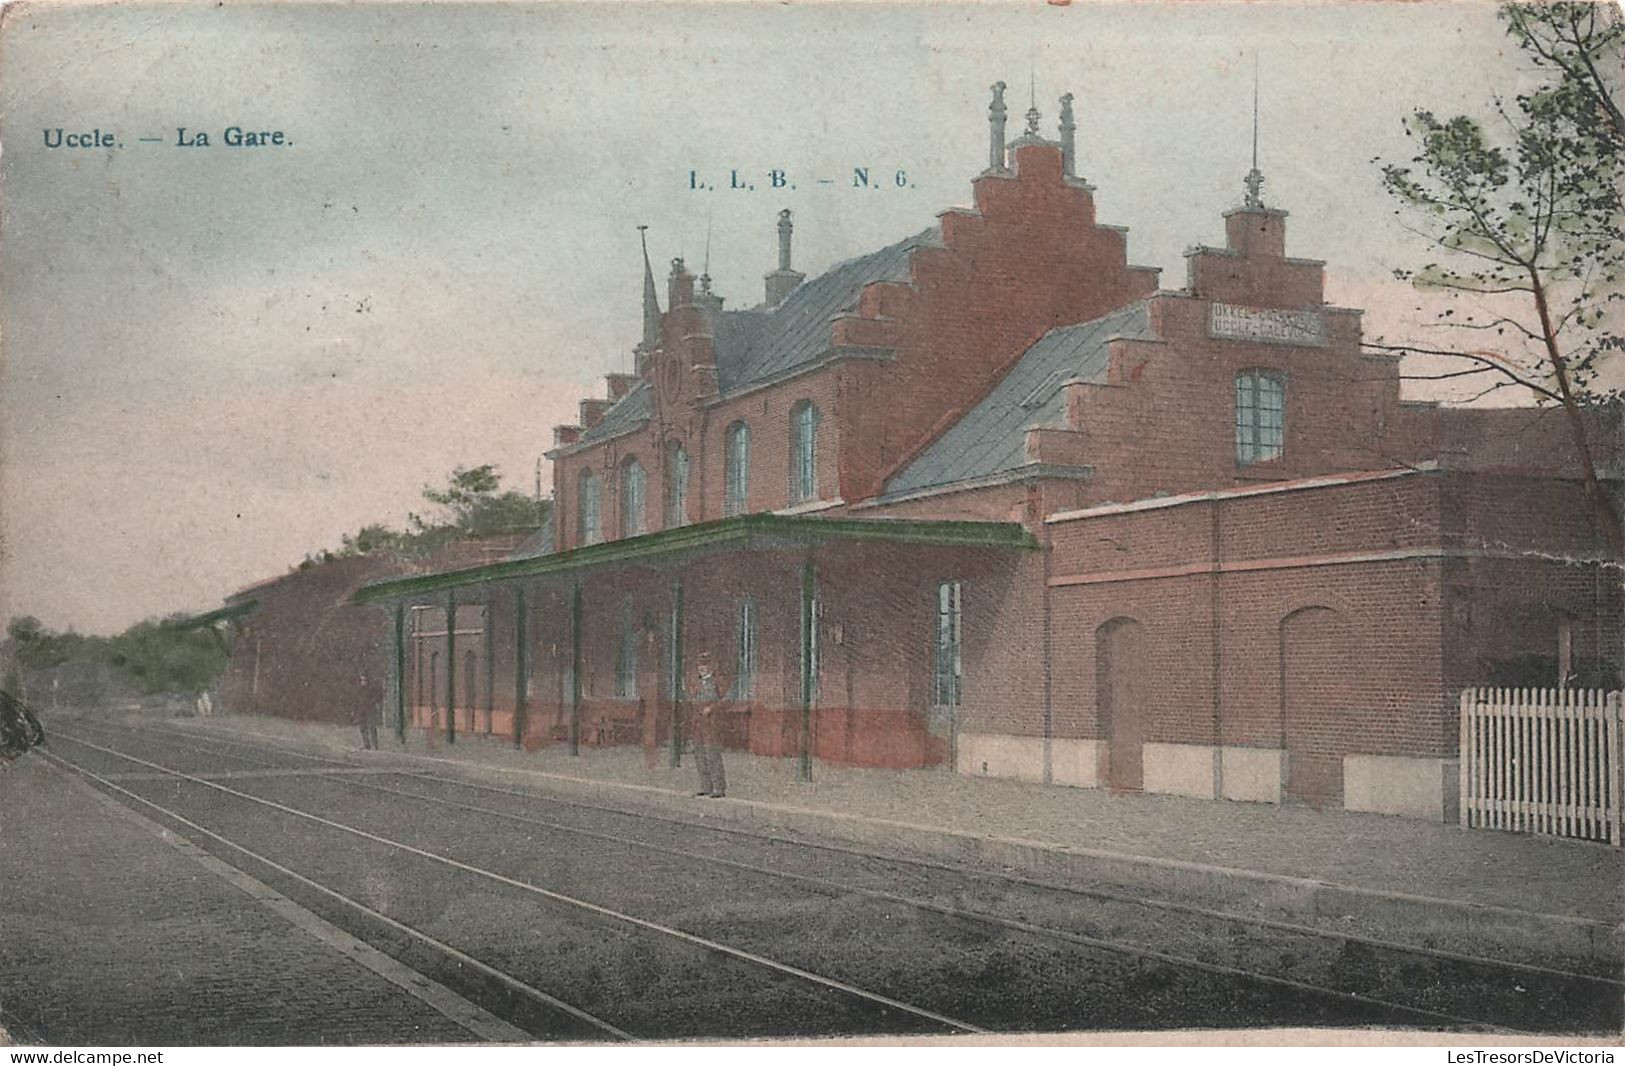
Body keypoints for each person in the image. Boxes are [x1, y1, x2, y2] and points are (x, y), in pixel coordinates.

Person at [690, 651, 727, 798]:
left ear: (711, 666)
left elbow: (725, 700)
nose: (702, 668)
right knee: (700, 754)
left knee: (712, 754)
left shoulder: (718, 682)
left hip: (712, 723)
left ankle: (719, 787)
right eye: (700, 665)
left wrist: (711, 708)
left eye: (705, 665)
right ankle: (706, 786)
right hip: (698, 723)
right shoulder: (696, 683)